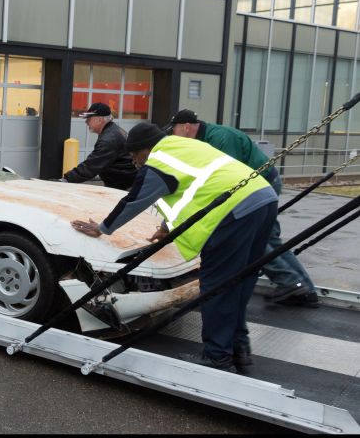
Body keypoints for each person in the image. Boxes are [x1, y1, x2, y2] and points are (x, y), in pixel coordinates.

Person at [71, 122, 278, 372]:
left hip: (233, 213)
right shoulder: (183, 146)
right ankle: (238, 349)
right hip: (263, 199)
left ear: (144, 150)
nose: (134, 161)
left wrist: (103, 228)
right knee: (241, 281)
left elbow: (134, 200)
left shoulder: (159, 161)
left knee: (217, 285)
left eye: (134, 155)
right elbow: (197, 190)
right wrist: (168, 226)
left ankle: (217, 356)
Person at [167, 109, 318, 308]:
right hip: (261, 184)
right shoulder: (207, 138)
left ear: (186, 127)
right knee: (271, 239)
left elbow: (228, 178)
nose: (173, 136)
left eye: (174, 131)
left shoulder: (220, 138)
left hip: (259, 187)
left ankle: (290, 282)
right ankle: (304, 289)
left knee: (254, 237)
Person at [61, 103, 137, 190]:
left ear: (100, 120)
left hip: (124, 187)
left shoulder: (109, 139)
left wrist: (66, 179)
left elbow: (91, 166)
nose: (86, 122)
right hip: (124, 184)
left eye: (89, 119)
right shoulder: (113, 130)